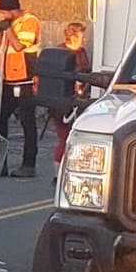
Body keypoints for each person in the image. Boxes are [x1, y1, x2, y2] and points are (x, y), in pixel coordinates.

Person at [0, 0, 41, 177]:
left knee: (27, 121)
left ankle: (28, 164)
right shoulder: (6, 24)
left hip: (25, 79)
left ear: (13, 10)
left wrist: (8, 30)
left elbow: (20, 46)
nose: (2, 16)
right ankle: (0, 161)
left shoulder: (29, 21)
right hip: (6, 79)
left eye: (4, 12)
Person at [38, 22, 92, 170]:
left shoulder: (82, 52)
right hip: (63, 102)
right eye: (82, 36)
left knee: (78, 136)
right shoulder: (60, 53)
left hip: (80, 100)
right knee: (64, 137)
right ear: (73, 37)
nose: (84, 40)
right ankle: (58, 171)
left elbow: (86, 71)